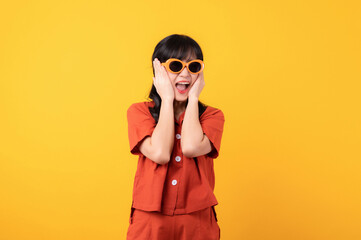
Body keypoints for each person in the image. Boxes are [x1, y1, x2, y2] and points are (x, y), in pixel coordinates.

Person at [126, 34, 225, 240]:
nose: (186, 74)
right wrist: (168, 99)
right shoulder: (139, 112)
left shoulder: (213, 116)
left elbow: (190, 147)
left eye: (193, 67)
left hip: (197, 220)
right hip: (150, 219)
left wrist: (194, 98)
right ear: (159, 70)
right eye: (176, 66)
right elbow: (160, 153)